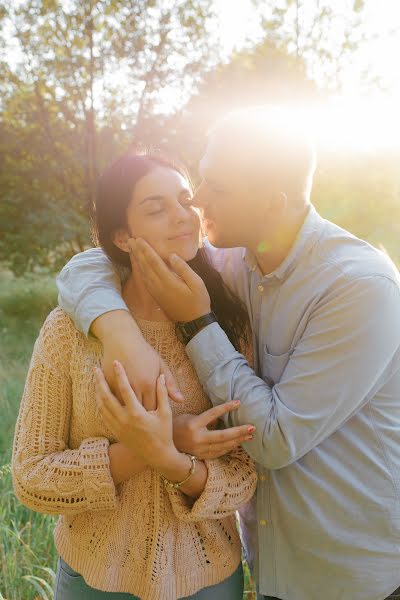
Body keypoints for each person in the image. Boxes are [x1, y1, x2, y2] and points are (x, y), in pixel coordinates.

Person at [56, 105, 400, 600]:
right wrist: (120, 336)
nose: (197, 199)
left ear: (271, 202)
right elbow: (94, 263)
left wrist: (197, 320)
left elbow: (275, 440)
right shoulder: (230, 257)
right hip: (270, 563)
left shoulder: (358, 287)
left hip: (350, 573)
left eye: (216, 187)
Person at [11, 152, 258, 600]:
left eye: (185, 200)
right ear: (123, 236)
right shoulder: (70, 331)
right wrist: (156, 446)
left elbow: (244, 476)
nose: (182, 215)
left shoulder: (229, 326)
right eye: (155, 207)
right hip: (92, 580)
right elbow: (31, 476)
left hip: (209, 579)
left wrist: (170, 459)